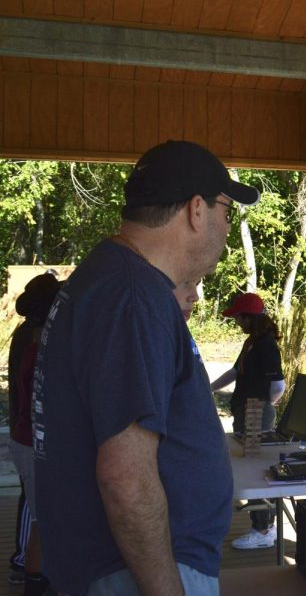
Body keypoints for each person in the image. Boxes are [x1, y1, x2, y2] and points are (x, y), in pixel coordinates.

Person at [32, 140, 260, 595]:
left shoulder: (113, 280)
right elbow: (125, 477)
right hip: (138, 572)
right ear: (197, 210)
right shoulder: (134, 297)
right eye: (225, 210)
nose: (227, 226)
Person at [210, 292, 286, 549]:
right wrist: (209, 387)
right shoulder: (252, 341)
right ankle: (263, 525)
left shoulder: (265, 344)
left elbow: (278, 385)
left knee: (257, 475)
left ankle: (263, 530)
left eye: (239, 318)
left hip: (255, 411)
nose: (237, 323)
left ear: (249, 317)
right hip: (247, 410)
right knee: (251, 468)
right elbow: (234, 371)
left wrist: (263, 407)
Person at [8, 273, 60, 596]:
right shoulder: (40, 345)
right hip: (32, 439)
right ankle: (31, 576)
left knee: (43, 516)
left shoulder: (28, 338)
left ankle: (35, 574)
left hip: (25, 434)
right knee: (41, 520)